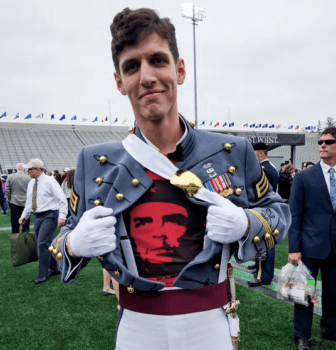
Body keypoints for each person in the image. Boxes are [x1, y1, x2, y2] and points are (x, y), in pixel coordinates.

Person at [51, 8, 290, 349]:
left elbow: (280, 214)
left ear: (179, 70)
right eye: (132, 66)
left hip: (210, 322)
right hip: (137, 326)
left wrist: (246, 223)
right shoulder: (94, 161)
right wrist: (74, 244)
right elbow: (61, 241)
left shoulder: (233, 151)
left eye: (157, 61)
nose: (147, 76)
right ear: (120, 82)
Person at [288, 127, 336, 350]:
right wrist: (294, 248)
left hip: (335, 249)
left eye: (328, 141)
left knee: (334, 294)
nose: (322, 145)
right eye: (320, 141)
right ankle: (301, 336)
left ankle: (331, 330)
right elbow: (295, 215)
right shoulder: (304, 176)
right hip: (308, 248)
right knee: (303, 293)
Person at [19, 159, 68, 284]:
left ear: (37, 169)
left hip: (50, 215)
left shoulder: (50, 181)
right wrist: (24, 215)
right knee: (44, 244)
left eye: (29, 169)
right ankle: (55, 268)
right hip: (37, 216)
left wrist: (62, 216)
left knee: (41, 244)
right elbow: (29, 202)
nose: (27, 171)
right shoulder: (31, 184)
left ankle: (43, 274)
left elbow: (62, 199)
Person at [248, 142, 280, 287]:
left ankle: (264, 275)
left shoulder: (263, 169)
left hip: (263, 210)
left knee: (264, 242)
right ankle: (260, 268)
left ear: (260, 153)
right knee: (264, 242)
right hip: (268, 210)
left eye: (253, 152)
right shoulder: (269, 166)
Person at [5, 163, 31, 233]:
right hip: (26, 202)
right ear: (24, 169)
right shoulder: (29, 178)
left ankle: (15, 239)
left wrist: (10, 200)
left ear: (17, 169)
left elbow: (7, 190)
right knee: (26, 222)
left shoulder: (10, 177)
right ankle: (26, 238)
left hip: (14, 201)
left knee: (14, 222)